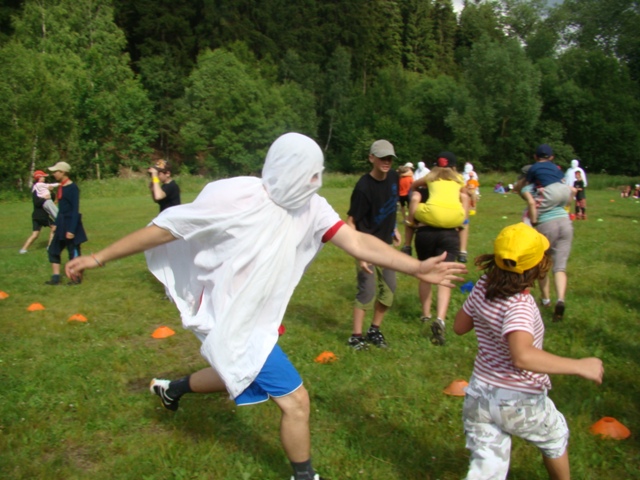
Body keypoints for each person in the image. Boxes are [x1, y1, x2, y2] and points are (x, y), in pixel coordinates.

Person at [64, 133, 467, 480]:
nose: (316, 182)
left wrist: (416, 267)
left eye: (318, 174)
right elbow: (165, 229)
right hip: (231, 316)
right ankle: (304, 475)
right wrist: (97, 257)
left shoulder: (312, 207)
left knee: (237, 372)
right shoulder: (235, 195)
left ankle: (172, 389)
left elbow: (358, 241)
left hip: (257, 317)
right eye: (310, 174)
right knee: (296, 402)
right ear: (286, 169)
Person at [453, 222, 604, 480]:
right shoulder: (520, 305)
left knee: (488, 467)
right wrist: (580, 365)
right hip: (517, 400)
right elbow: (522, 356)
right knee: (555, 435)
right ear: (537, 266)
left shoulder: (483, 284)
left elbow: (459, 327)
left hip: (479, 396)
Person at [403, 151, 470, 345]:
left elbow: (412, 187)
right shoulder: (458, 184)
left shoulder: (426, 184)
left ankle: (425, 315)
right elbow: (466, 206)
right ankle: (440, 318)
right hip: (450, 233)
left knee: (425, 274)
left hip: (425, 232)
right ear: (454, 167)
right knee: (445, 277)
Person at [347, 139, 402, 350]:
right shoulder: (363, 187)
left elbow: (391, 206)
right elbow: (351, 222)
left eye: (389, 158)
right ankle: (356, 336)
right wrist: (359, 254)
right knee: (367, 291)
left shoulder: (394, 178)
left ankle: (374, 330)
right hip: (366, 247)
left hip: (386, 246)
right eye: (381, 158)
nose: (386, 162)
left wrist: (394, 228)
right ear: (371, 158)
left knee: (389, 290)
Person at [514, 168, 573, 321]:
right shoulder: (554, 187)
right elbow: (571, 192)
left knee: (542, 265)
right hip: (565, 223)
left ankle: (546, 300)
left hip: (546, 225)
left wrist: (534, 224)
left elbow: (530, 206)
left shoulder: (530, 190)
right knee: (560, 267)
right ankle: (560, 299)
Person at [45, 161, 87, 285]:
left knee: (73, 253)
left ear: (63, 172)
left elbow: (75, 210)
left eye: (55, 172)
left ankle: (76, 278)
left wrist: (72, 230)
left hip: (71, 224)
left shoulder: (73, 188)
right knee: (53, 250)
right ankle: (55, 278)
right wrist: (56, 224)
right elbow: (61, 210)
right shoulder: (61, 187)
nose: (53, 174)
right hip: (61, 224)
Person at [523, 145, 572, 226]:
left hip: (550, 191)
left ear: (535, 156)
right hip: (565, 191)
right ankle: (566, 211)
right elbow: (562, 179)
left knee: (530, 212)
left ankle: (533, 224)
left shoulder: (534, 167)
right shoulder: (555, 167)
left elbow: (528, 184)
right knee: (558, 208)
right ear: (551, 157)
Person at [19, 171, 57, 254]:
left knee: (35, 235)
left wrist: (51, 192)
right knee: (55, 227)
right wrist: (44, 198)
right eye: (42, 177)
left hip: (36, 216)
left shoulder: (43, 187)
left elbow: (51, 199)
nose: (44, 178)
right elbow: (37, 203)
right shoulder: (36, 189)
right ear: (38, 178)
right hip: (41, 215)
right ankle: (50, 247)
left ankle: (23, 250)